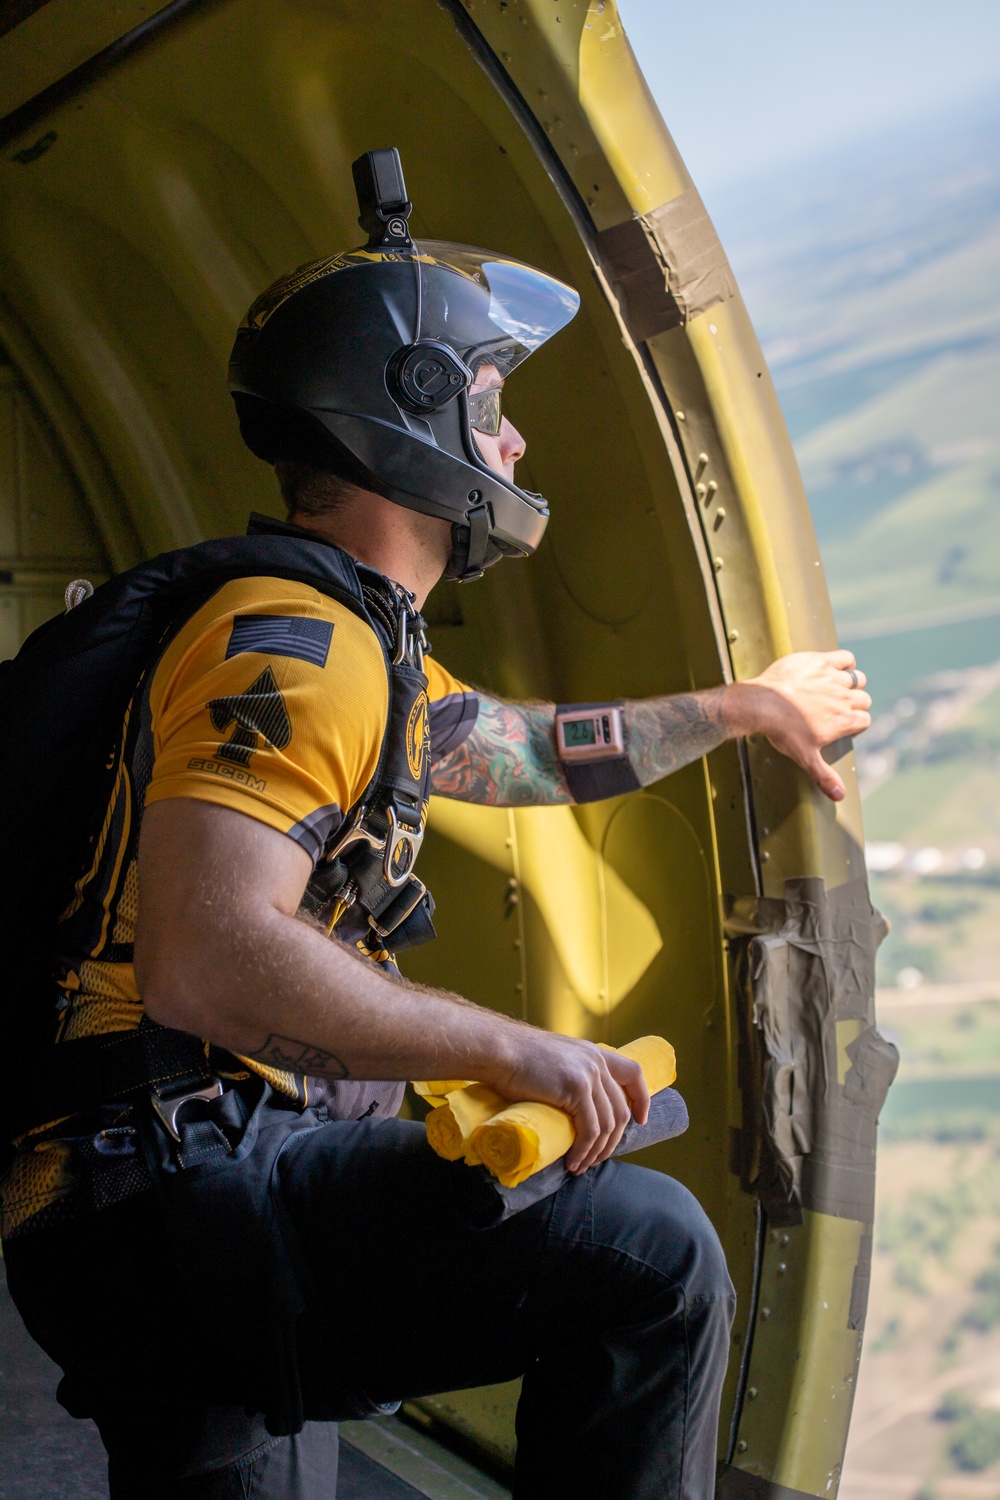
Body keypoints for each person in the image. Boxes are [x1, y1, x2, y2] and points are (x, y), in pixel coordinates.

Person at [0, 151, 871, 1500]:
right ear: (411, 413)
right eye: (493, 404)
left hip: (128, 1201)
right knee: (651, 1256)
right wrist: (510, 1046)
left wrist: (747, 705)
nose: (513, 443)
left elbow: (523, 751)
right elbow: (207, 959)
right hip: (167, 1197)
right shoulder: (295, 646)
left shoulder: (354, 648)